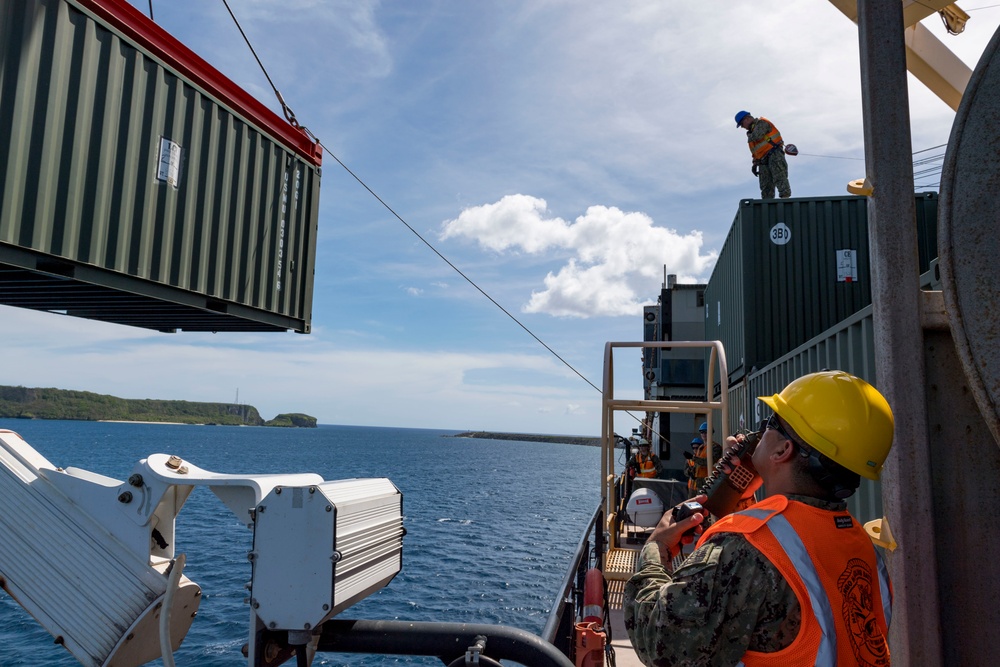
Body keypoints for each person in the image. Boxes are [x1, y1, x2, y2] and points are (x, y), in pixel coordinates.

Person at [624, 371, 894, 666]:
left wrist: (656, 548)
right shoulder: (862, 546)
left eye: (770, 423)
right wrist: (745, 504)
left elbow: (660, 642)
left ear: (782, 449)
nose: (756, 434)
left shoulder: (745, 549)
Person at [735, 110, 792, 200]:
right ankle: (767, 205)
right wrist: (755, 163)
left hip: (774, 153)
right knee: (765, 185)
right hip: (762, 160)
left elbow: (757, 136)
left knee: (779, 176)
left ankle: (785, 198)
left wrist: (749, 135)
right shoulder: (751, 132)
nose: (743, 127)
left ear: (746, 119)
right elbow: (756, 152)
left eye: (742, 124)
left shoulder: (762, 123)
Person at [684, 426, 722, 494]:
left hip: (709, 480)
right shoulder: (701, 447)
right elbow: (697, 465)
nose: (704, 434)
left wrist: (693, 458)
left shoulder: (716, 447)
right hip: (699, 482)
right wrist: (691, 471)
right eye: (702, 432)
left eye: (706, 432)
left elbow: (709, 462)